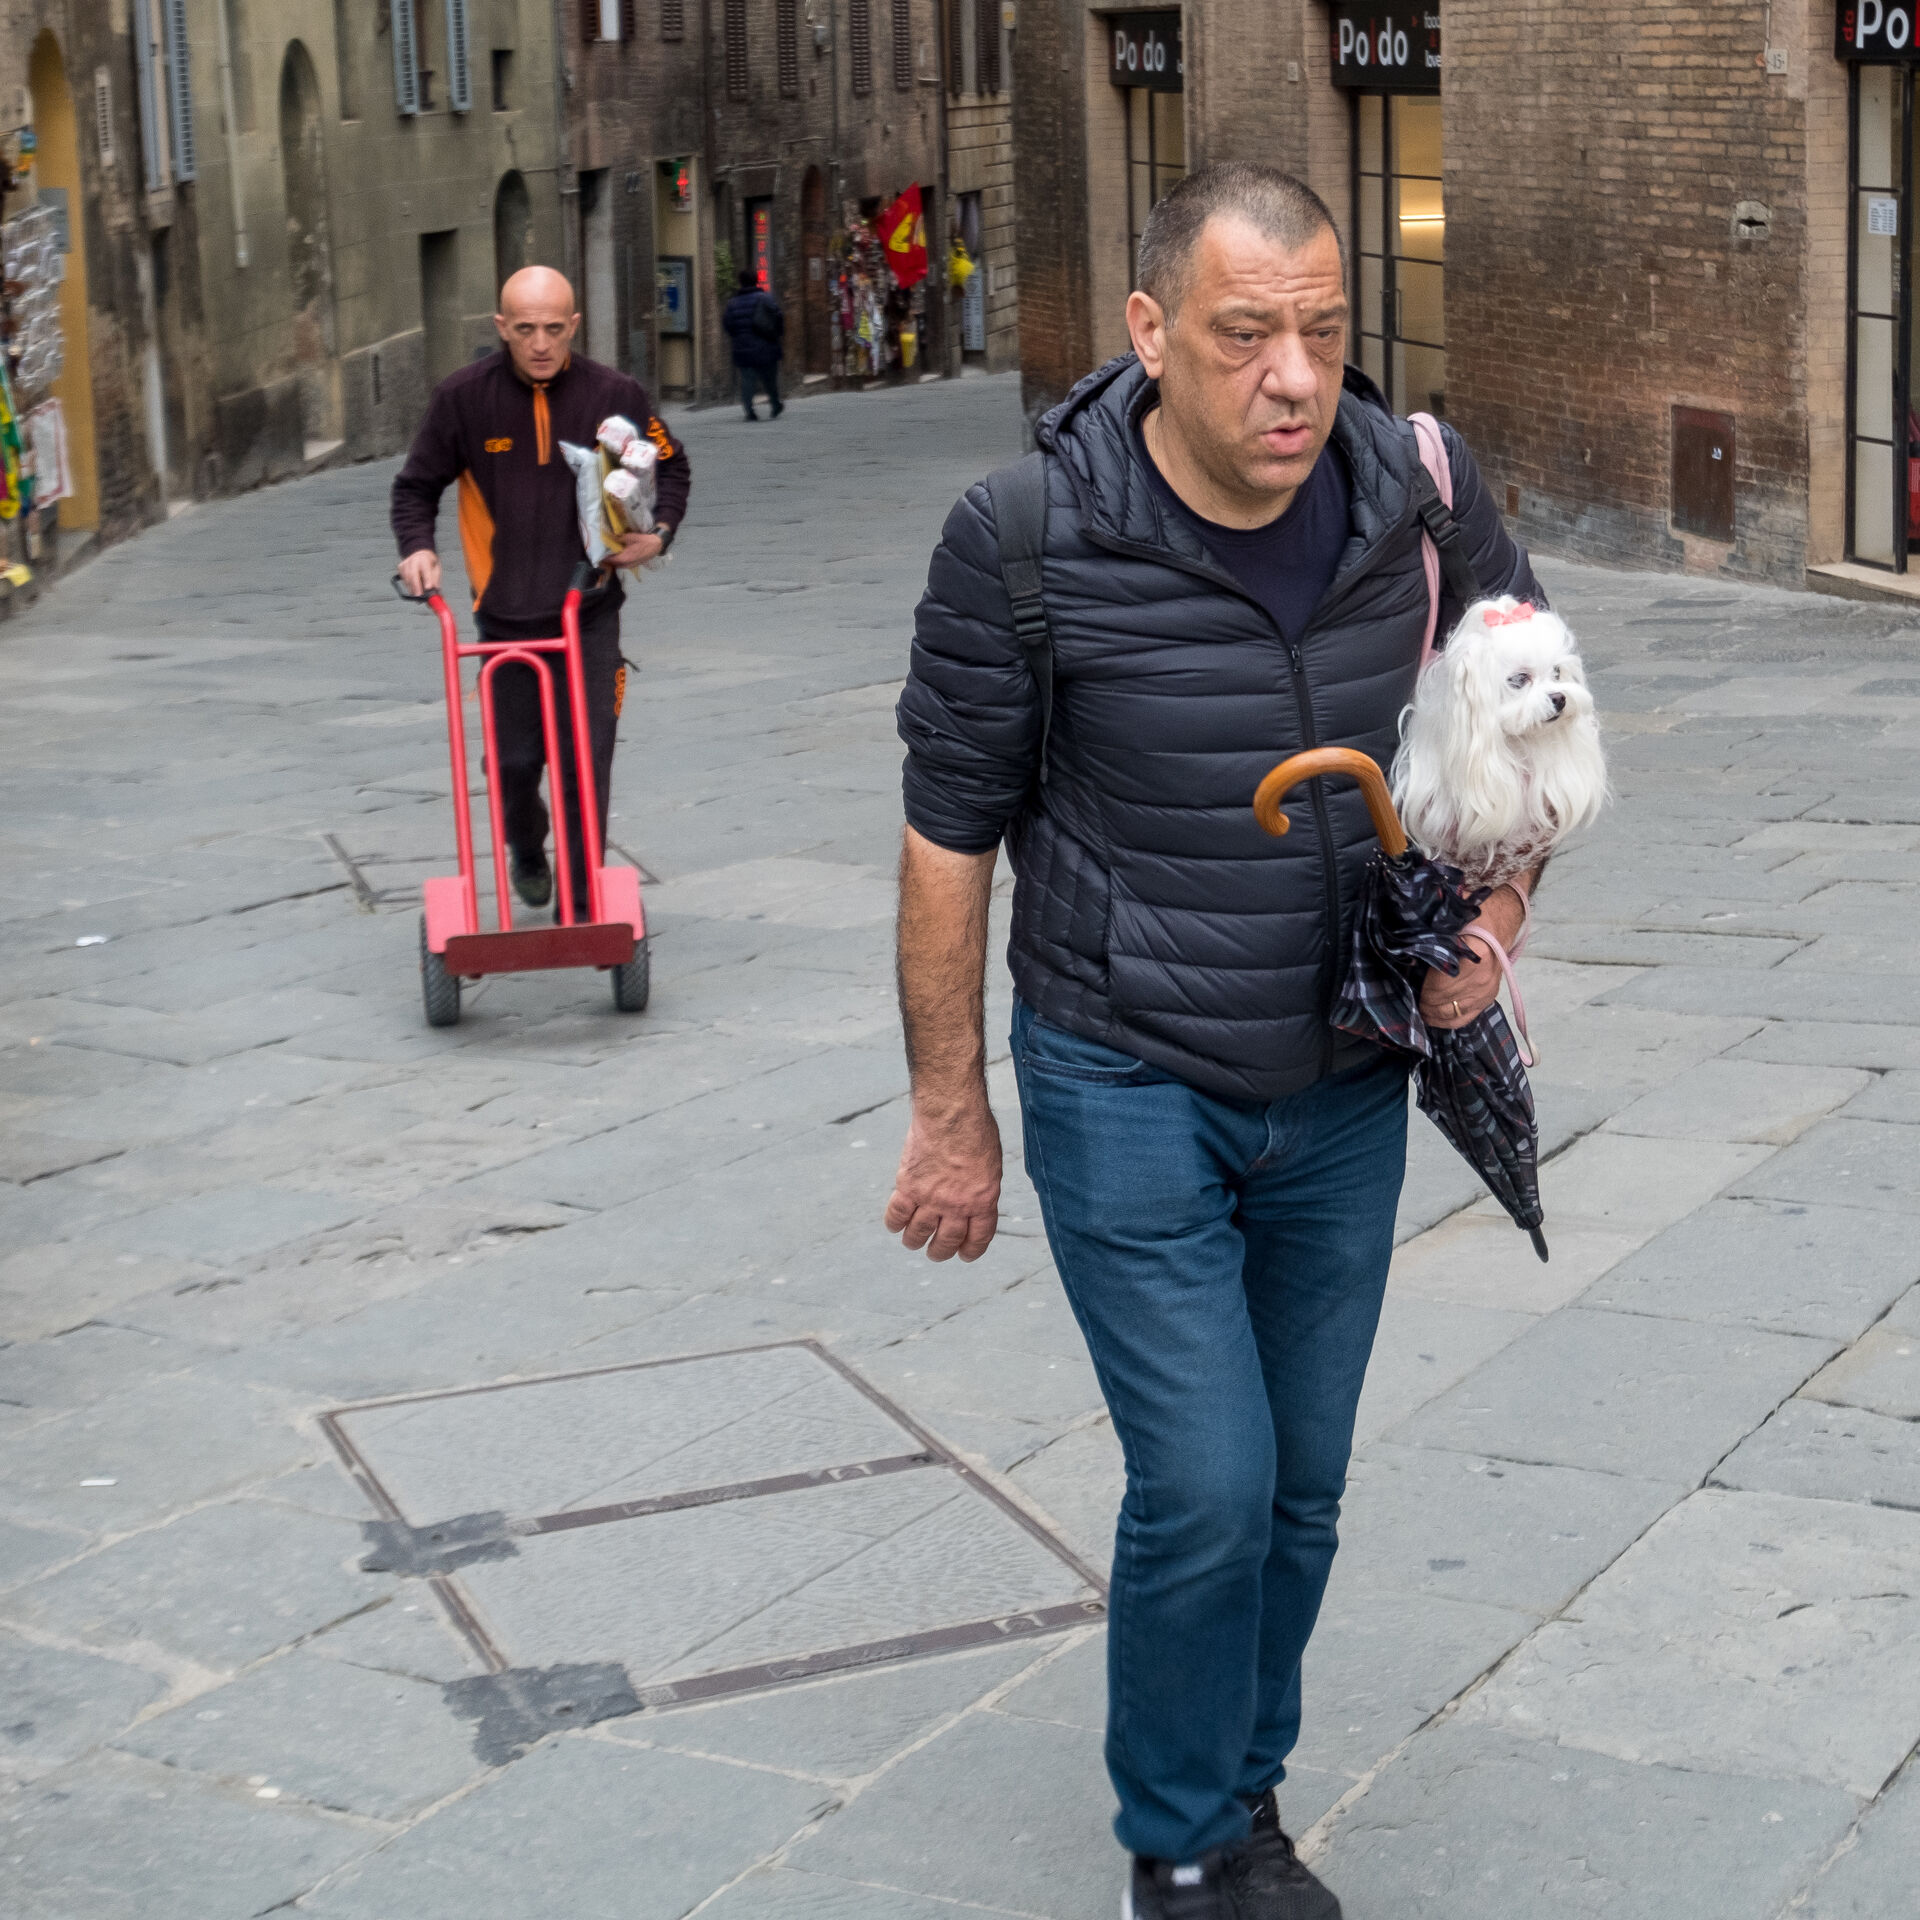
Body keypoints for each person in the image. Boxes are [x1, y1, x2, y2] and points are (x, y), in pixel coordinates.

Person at [886, 165, 1542, 1920]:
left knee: (1303, 1487)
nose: (1293, 377)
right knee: (1208, 1481)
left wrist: (1494, 919)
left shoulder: (1419, 492)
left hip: (1344, 1075)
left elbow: (1530, 719)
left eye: (1322, 330)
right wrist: (953, 1113)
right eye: (1247, 335)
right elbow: (948, 838)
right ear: (1151, 332)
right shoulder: (1024, 534)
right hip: (1123, 1067)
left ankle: (1243, 1798)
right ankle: (1176, 1843)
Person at [391, 267, 690, 914]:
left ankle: (581, 904)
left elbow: (672, 465)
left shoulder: (616, 394)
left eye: (554, 329)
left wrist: (659, 534)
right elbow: (415, 486)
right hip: (505, 618)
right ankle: (527, 846)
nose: (540, 344)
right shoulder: (462, 399)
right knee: (512, 765)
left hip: (589, 610)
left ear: (574, 325)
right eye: (525, 329)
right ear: (501, 327)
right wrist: (417, 547)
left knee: (587, 762)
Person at [722, 269, 786, 421]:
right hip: (766, 347)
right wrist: (777, 334)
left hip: (743, 348)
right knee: (769, 379)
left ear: (740, 282)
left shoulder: (733, 303)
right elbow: (778, 316)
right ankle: (775, 404)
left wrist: (738, 337)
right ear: (756, 281)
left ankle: (749, 410)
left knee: (747, 380)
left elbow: (728, 324)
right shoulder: (765, 298)